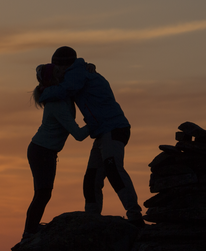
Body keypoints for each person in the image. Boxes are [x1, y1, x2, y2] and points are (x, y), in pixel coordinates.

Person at [39, 46, 145, 227]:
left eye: (58, 67)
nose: (57, 72)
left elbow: (63, 90)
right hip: (104, 132)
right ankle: (92, 220)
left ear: (65, 66)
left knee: (113, 170)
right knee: (92, 179)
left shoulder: (76, 76)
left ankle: (134, 216)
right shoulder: (79, 72)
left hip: (113, 128)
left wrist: (42, 93)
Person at [16, 62, 90, 247]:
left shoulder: (60, 96)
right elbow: (79, 135)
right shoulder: (57, 103)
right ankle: (29, 232)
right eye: (59, 71)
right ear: (54, 79)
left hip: (42, 150)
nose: (63, 72)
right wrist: (99, 122)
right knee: (42, 193)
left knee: (43, 193)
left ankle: (30, 230)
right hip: (42, 151)